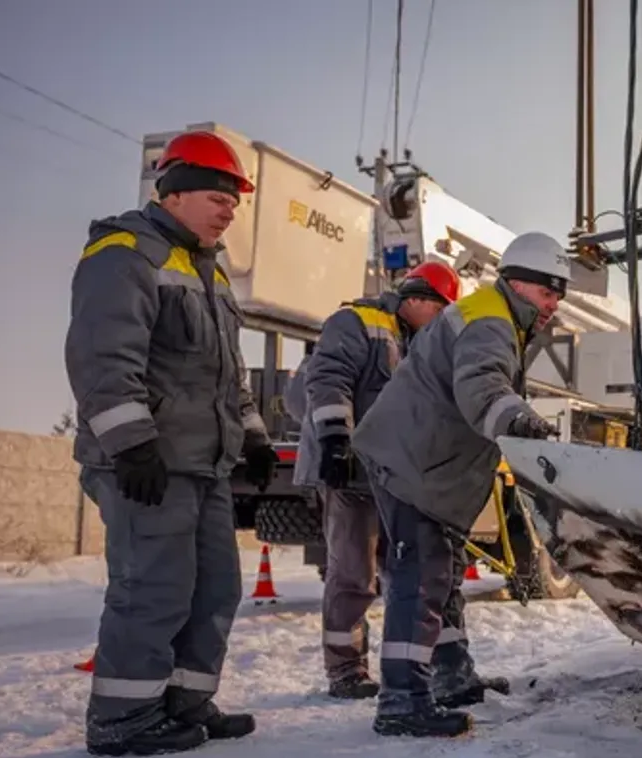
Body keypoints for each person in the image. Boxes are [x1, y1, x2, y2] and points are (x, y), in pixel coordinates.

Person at [65, 130, 279, 756]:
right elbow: (103, 358)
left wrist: (256, 438)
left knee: (216, 589)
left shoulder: (207, 272)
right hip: (148, 463)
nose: (230, 209)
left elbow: (226, 376)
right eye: (219, 195)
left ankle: (184, 703)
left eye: (235, 199)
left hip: (203, 464)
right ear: (175, 192)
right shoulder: (125, 253)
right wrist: (132, 444)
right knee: (152, 589)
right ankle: (123, 721)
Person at [350, 231, 568, 738]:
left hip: (427, 465)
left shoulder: (497, 315)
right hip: (414, 464)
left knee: (441, 573)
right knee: (421, 578)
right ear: (519, 283)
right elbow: (482, 385)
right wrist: (519, 420)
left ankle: (450, 676)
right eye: (548, 293)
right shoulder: (491, 320)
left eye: (559, 295)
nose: (554, 305)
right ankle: (402, 700)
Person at [291, 261, 461, 700]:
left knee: (405, 573)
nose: (443, 322)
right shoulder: (358, 322)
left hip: (393, 478)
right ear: (420, 299)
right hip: (349, 473)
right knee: (353, 572)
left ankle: (404, 666)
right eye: (441, 311)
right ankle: (345, 670)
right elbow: (328, 379)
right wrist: (334, 440)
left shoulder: (418, 342)